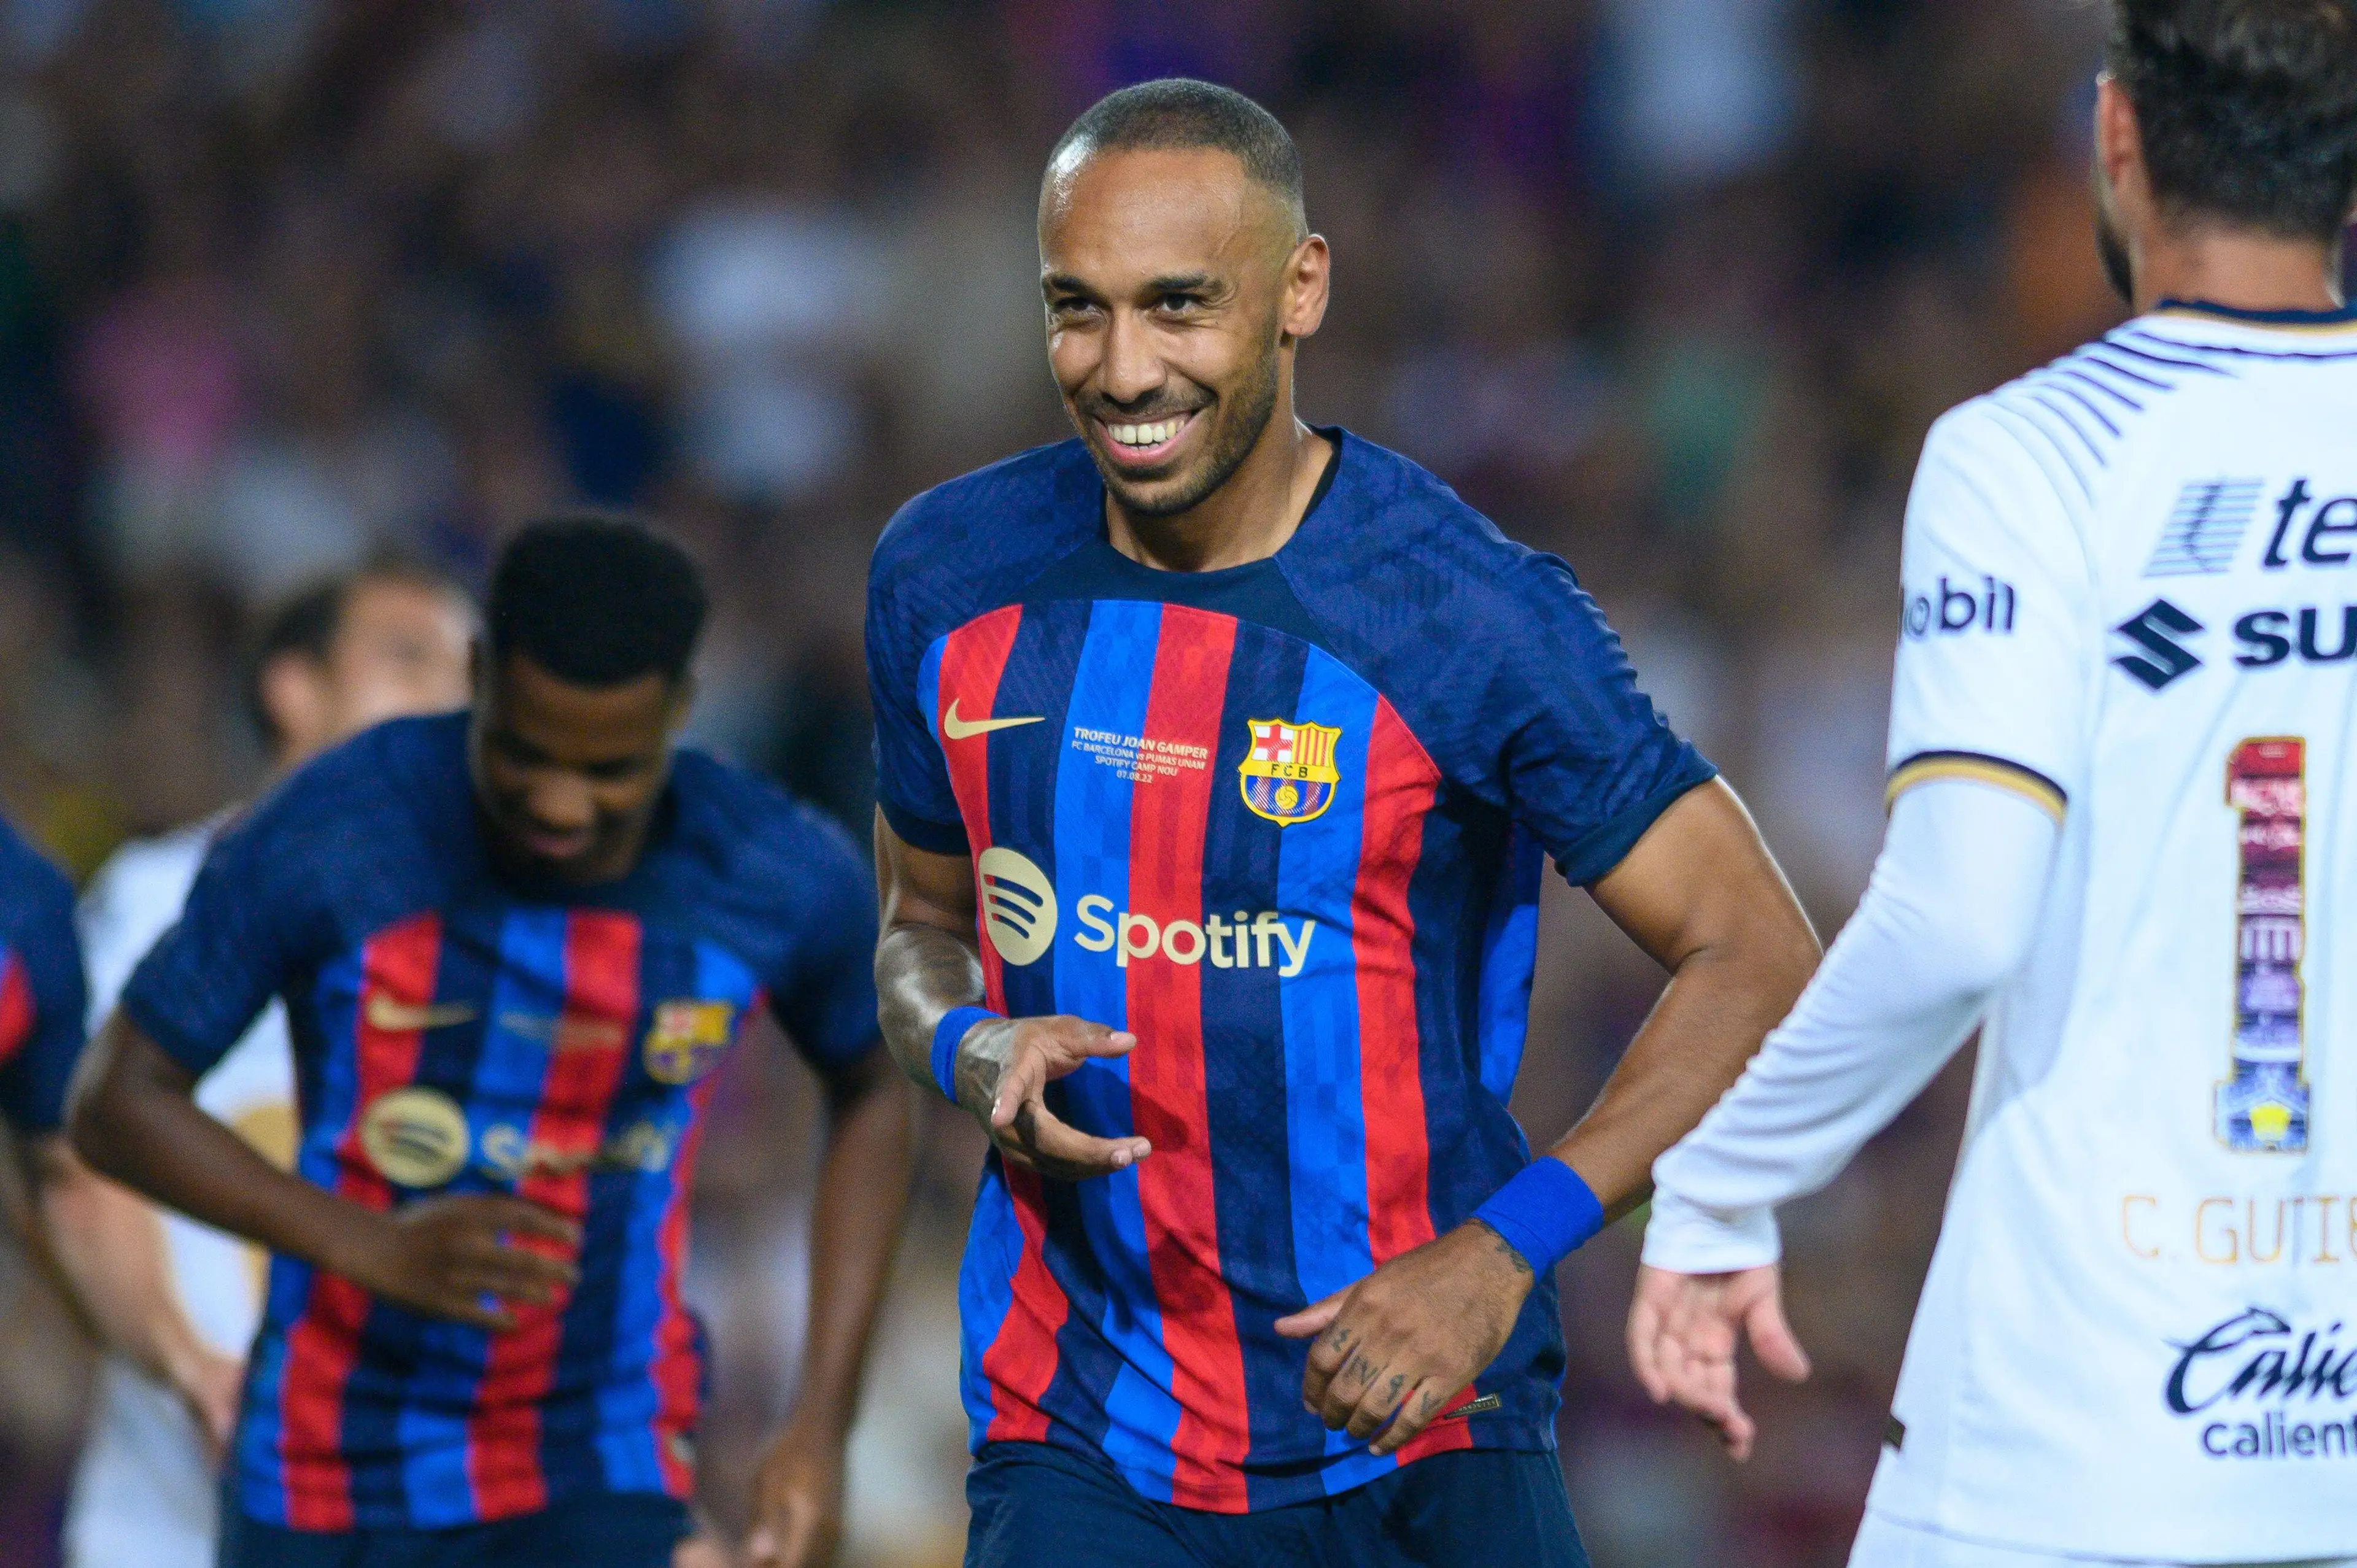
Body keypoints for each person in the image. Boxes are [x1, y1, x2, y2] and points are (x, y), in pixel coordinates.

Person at [865, 79, 1821, 1568]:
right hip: (1087, 1437)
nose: (1122, 369)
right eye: (1079, 308)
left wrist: (1506, 1247)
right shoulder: (946, 575)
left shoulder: (1467, 611)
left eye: (1179, 306)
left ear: (1300, 287)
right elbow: (917, 929)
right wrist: (962, 1041)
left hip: (1424, 1422)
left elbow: (1758, 952)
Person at [1627, 4, 2357, 1566]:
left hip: (2082, 1433)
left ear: (2115, 139)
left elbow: (1961, 914)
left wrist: (1723, 1183)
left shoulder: (2036, 458)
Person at [69, 516, 916, 1568]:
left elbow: (875, 1087)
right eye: (523, 752)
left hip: (595, 1452)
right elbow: (114, 1105)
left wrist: (820, 1423)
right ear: (481, 676)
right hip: (327, 1464)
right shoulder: (337, 830)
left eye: (609, 769)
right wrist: (359, 1240)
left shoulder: (766, 870)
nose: (560, 803)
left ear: (678, 714)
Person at [60, 563, 474, 1568]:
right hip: (168, 1529)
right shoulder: (158, 900)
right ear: (295, 687)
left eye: (472, 673)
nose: (449, 699)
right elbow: (77, 1166)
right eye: (407, 658)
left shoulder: (500, 949)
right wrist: (193, 1365)